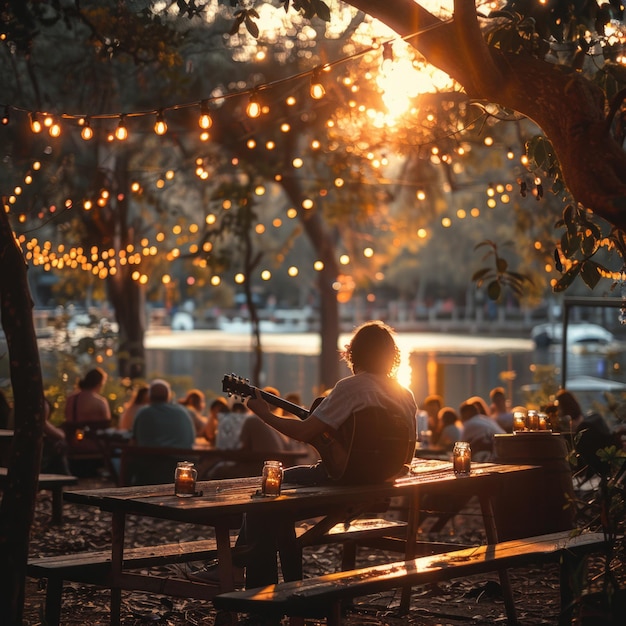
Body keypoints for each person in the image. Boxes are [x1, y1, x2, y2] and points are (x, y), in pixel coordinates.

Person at [200, 320, 417, 590]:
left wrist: (265, 414)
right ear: (391, 355)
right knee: (273, 508)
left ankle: (257, 592)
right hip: (383, 483)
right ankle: (261, 579)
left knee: (265, 497)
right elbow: (409, 448)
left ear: (354, 353)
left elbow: (305, 432)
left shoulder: (351, 387)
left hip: (344, 481)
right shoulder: (404, 393)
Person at [131, 379, 196, 484]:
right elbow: (191, 440)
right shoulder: (182, 412)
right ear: (168, 396)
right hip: (181, 467)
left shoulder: (144, 413)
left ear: (149, 396)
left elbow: (134, 441)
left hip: (151, 469)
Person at [556, 388, 618, 477]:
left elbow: (568, 437)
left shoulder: (570, 421)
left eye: (558, 405)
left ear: (563, 405)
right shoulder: (579, 417)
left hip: (579, 456)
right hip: (592, 456)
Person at [62, 367, 112, 458]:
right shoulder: (100, 402)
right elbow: (107, 424)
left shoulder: (71, 399)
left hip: (72, 443)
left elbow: (67, 418)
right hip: (94, 445)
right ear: (100, 383)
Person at [41, 398, 71, 475]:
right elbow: (60, 435)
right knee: (59, 443)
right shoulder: (40, 404)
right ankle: (63, 476)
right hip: (34, 459)